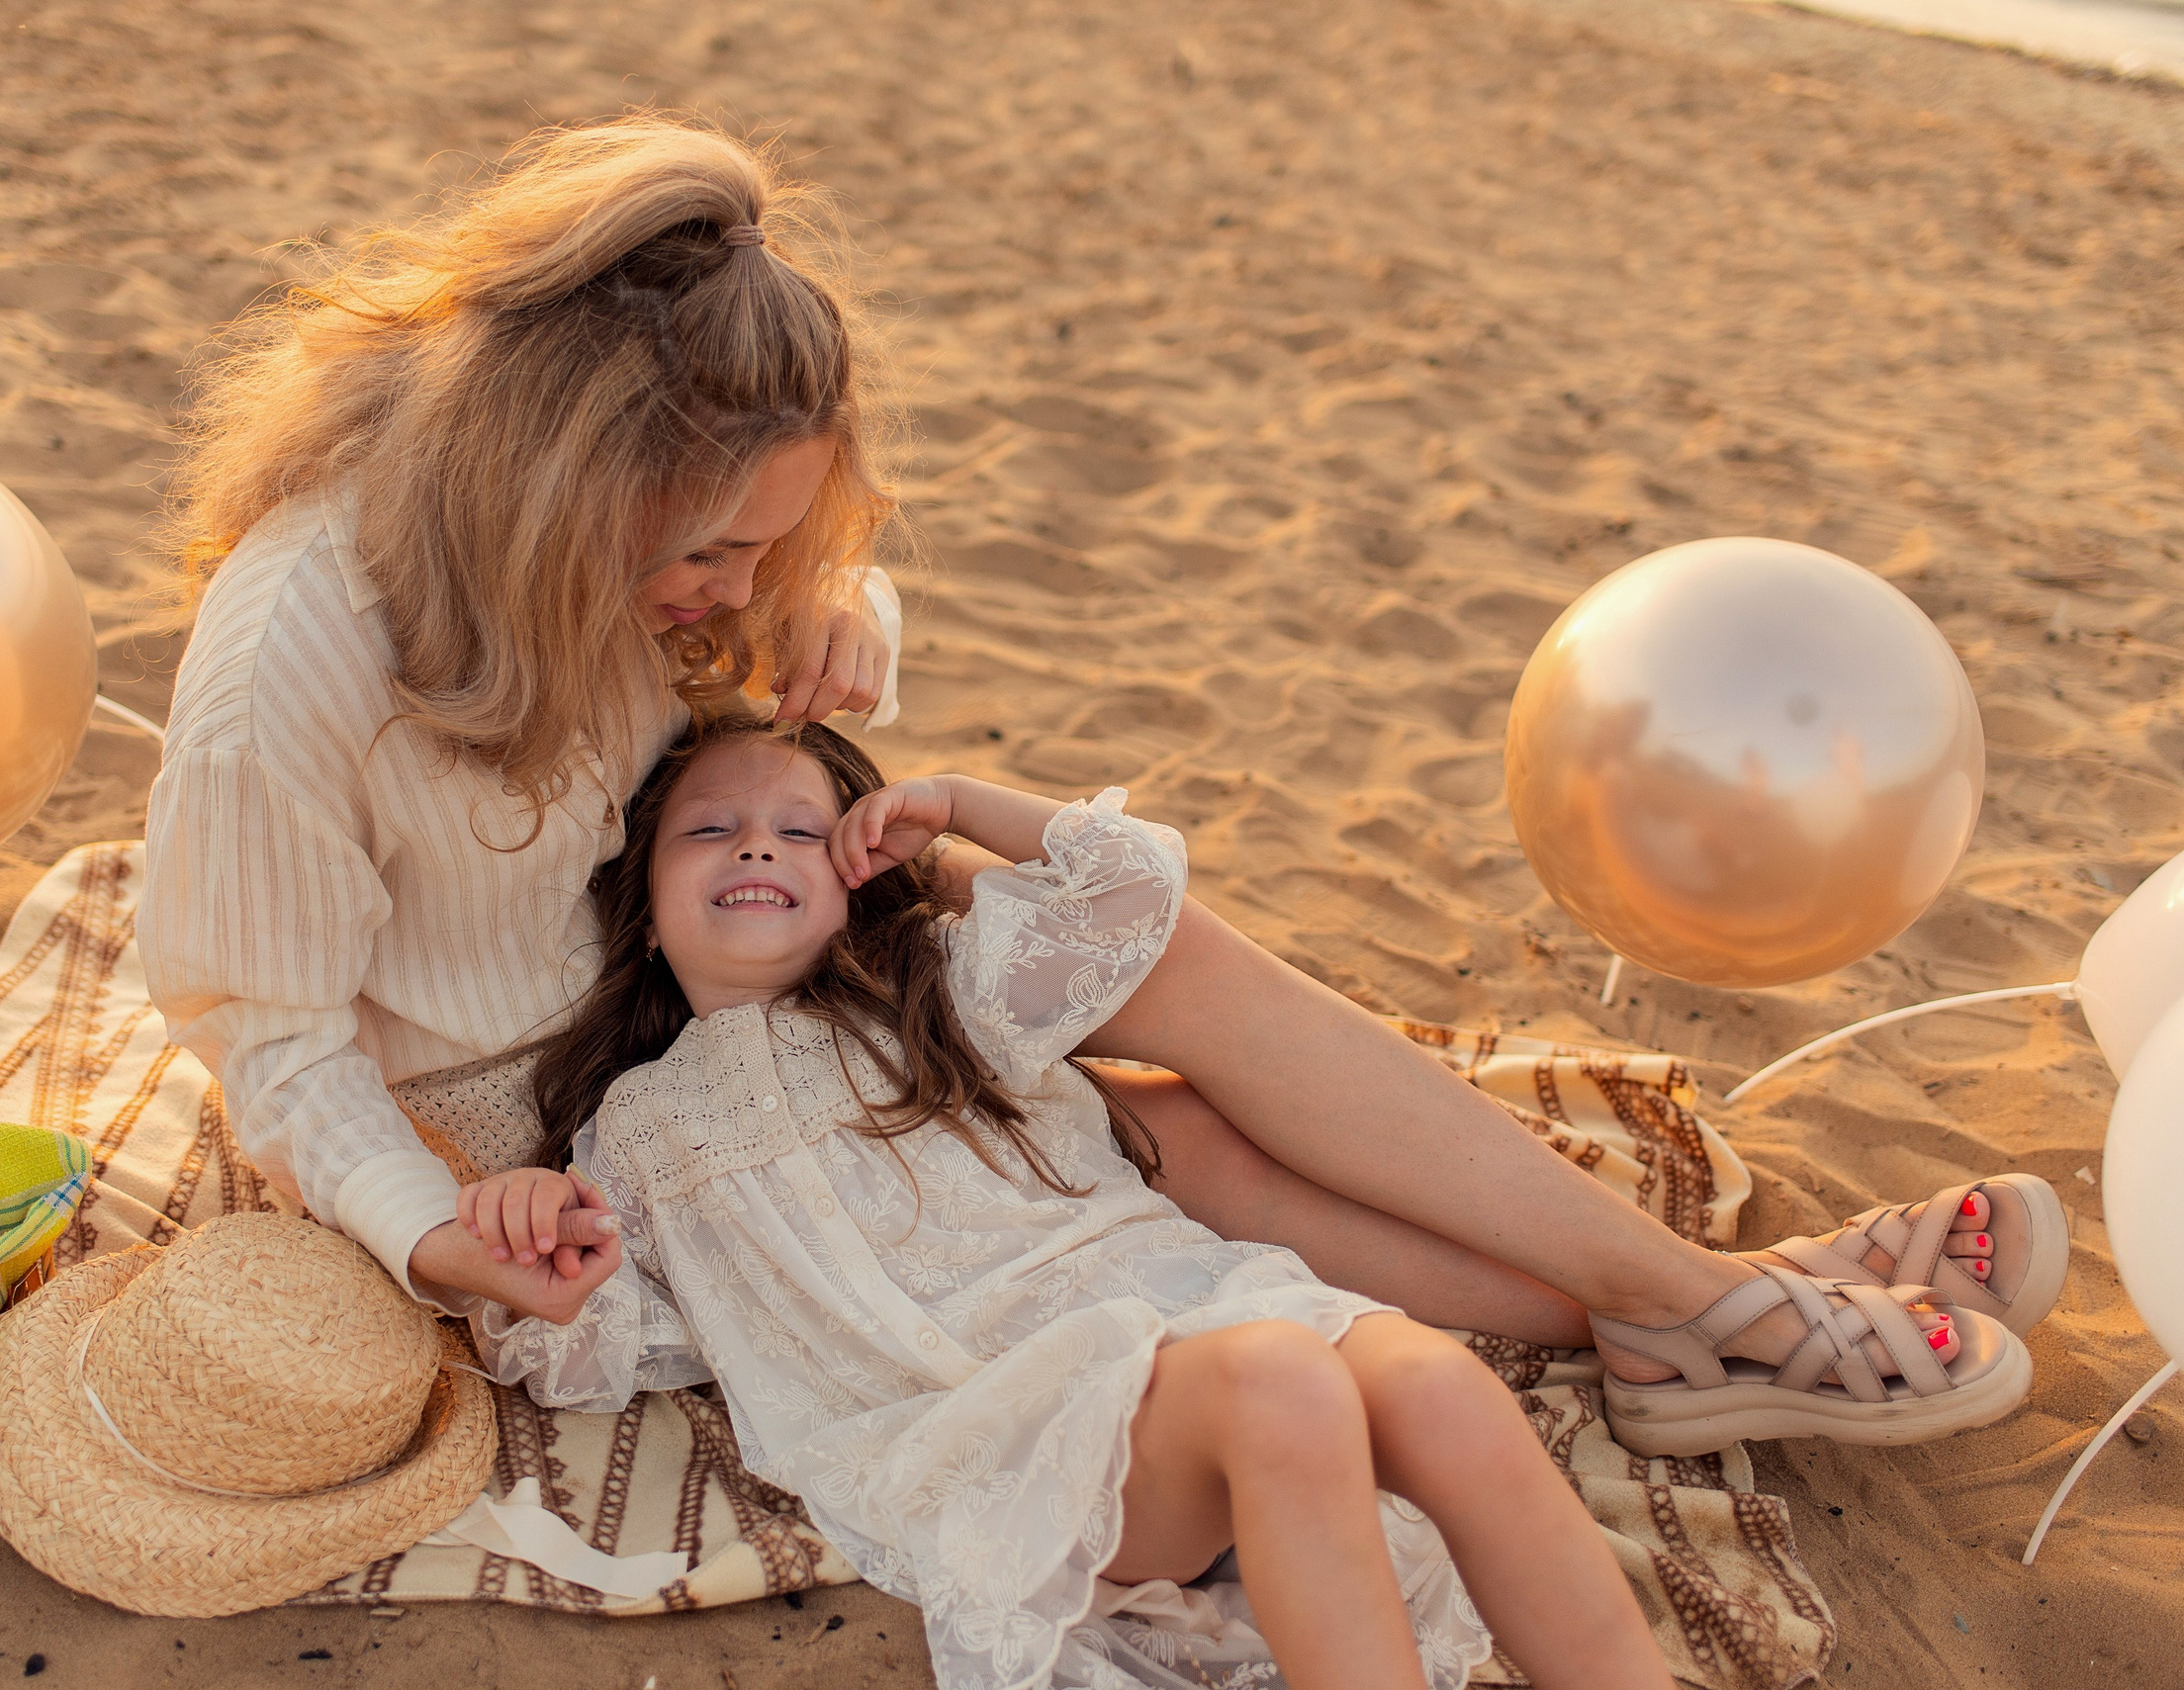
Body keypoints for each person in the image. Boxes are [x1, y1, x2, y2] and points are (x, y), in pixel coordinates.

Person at [137, 113, 2060, 1459]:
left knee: (1162, 975)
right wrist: (433, 1225)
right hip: (531, 1092)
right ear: (569, 481)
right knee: (1164, 1147)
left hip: (700, 925)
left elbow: (750, 607)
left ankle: (1686, 1304)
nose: (724, 597)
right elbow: (280, 1043)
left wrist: (826, 625)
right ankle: (1716, 1303)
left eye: (759, 551)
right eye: (710, 556)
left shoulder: (631, 542)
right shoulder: (301, 638)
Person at [472, 714, 1669, 1690]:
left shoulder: (938, 994)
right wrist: (531, 1229)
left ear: (856, 878)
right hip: (1006, 1427)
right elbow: (588, 1345)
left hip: (1180, 1311)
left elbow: (1125, 891)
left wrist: (953, 807)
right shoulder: (626, 1125)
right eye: (710, 830)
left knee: (1435, 1384)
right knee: (1281, 1379)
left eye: (799, 830)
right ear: (639, 892)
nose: (755, 849)